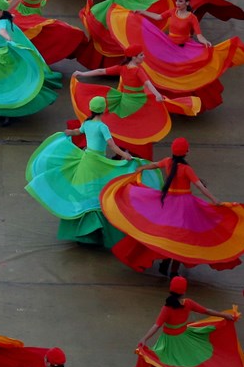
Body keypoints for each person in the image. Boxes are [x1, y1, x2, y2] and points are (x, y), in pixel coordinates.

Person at [104, 137, 244, 276]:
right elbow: (200, 187)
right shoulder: (186, 169)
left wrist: (141, 168)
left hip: (169, 203)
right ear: (186, 152)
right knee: (183, 240)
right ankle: (173, 270)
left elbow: (154, 165)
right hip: (185, 207)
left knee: (167, 235)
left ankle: (165, 263)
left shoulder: (168, 162)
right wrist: (215, 200)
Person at [26, 98, 143, 244]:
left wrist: (69, 132)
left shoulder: (87, 123)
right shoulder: (102, 127)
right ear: (104, 109)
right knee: (99, 193)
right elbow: (112, 146)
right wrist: (125, 155)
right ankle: (95, 231)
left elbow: (77, 131)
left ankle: (82, 229)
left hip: (86, 159)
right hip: (98, 164)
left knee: (84, 192)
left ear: (91, 109)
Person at [123, 276, 244, 367]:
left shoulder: (167, 308)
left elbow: (157, 325)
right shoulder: (188, 303)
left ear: (170, 290)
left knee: (166, 366)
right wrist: (224, 315)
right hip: (185, 338)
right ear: (184, 291)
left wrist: (144, 338)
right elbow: (207, 311)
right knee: (187, 366)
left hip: (170, 342)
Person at [110, 0, 244, 112]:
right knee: (161, 67)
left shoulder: (191, 17)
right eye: (177, 1)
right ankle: (163, 97)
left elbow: (199, 35)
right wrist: (142, 12)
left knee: (185, 70)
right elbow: (158, 17)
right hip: (168, 44)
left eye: (180, 1)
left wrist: (205, 42)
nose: (177, 3)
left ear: (187, 3)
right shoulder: (172, 11)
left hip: (183, 47)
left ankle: (188, 99)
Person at [71, 46, 201, 159]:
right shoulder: (138, 70)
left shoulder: (122, 68)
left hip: (124, 101)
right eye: (141, 55)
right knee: (140, 128)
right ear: (134, 57)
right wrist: (157, 95)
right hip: (137, 103)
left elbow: (101, 71)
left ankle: (120, 152)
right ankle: (128, 151)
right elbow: (148, 84)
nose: (144, 57)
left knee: (121, 127)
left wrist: (82, 73)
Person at [10, 0, 85, 64]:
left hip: (36, 11)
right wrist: (6, 12)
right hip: (24, 13)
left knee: (38, 32)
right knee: (36, 31)